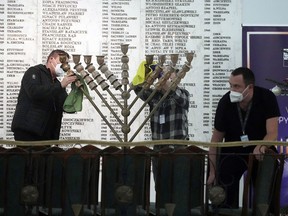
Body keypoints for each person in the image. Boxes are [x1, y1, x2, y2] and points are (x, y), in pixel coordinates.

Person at [207, 67, 280, 208]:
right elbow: (215, 141)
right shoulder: (225, 102)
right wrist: (212, 172)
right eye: (230, 85)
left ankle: (266, 210)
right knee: (223, 193)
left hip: (259, 151)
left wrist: (261, 146)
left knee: (267, 183)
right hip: (232, 152)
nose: (232, 90)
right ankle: (225, 209)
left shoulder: (267, 97)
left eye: (237, 86)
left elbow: (272, 133)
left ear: (250, 87)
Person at [132, 62, 190, 181]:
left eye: (170, 73)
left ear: (177, 77)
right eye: (164, 73)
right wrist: (147, 71)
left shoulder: (183, 94)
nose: (166, 76)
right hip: (159, 150)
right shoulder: (154, 95)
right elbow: (136, 88)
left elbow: (175, 93)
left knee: (179, 185)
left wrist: (163, 78)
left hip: (178, 149)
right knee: (160, 186)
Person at [11, 49, 77, 141]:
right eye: (61, 61)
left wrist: (76, 92)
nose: (64, 66)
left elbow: (66, 106)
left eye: (66, 64)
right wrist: (61, 85)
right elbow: (34, 92)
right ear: (51, 59)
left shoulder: (57, 84)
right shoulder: (34, 72)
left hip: (47, 134)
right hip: (28, 131)